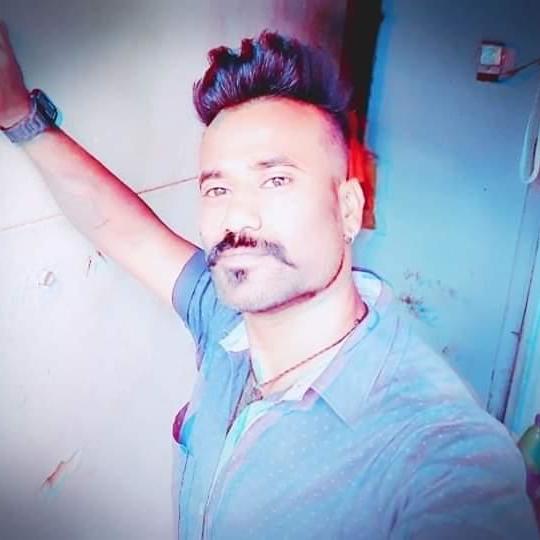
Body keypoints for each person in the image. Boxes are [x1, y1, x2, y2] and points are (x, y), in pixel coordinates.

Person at [1, 22, 538, 540]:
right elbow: (127, 233)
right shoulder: (226, 321)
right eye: (218, 189)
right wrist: (19, 115)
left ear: (348, 209)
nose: (239, 218)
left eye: (276, 180)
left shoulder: (441, 454)